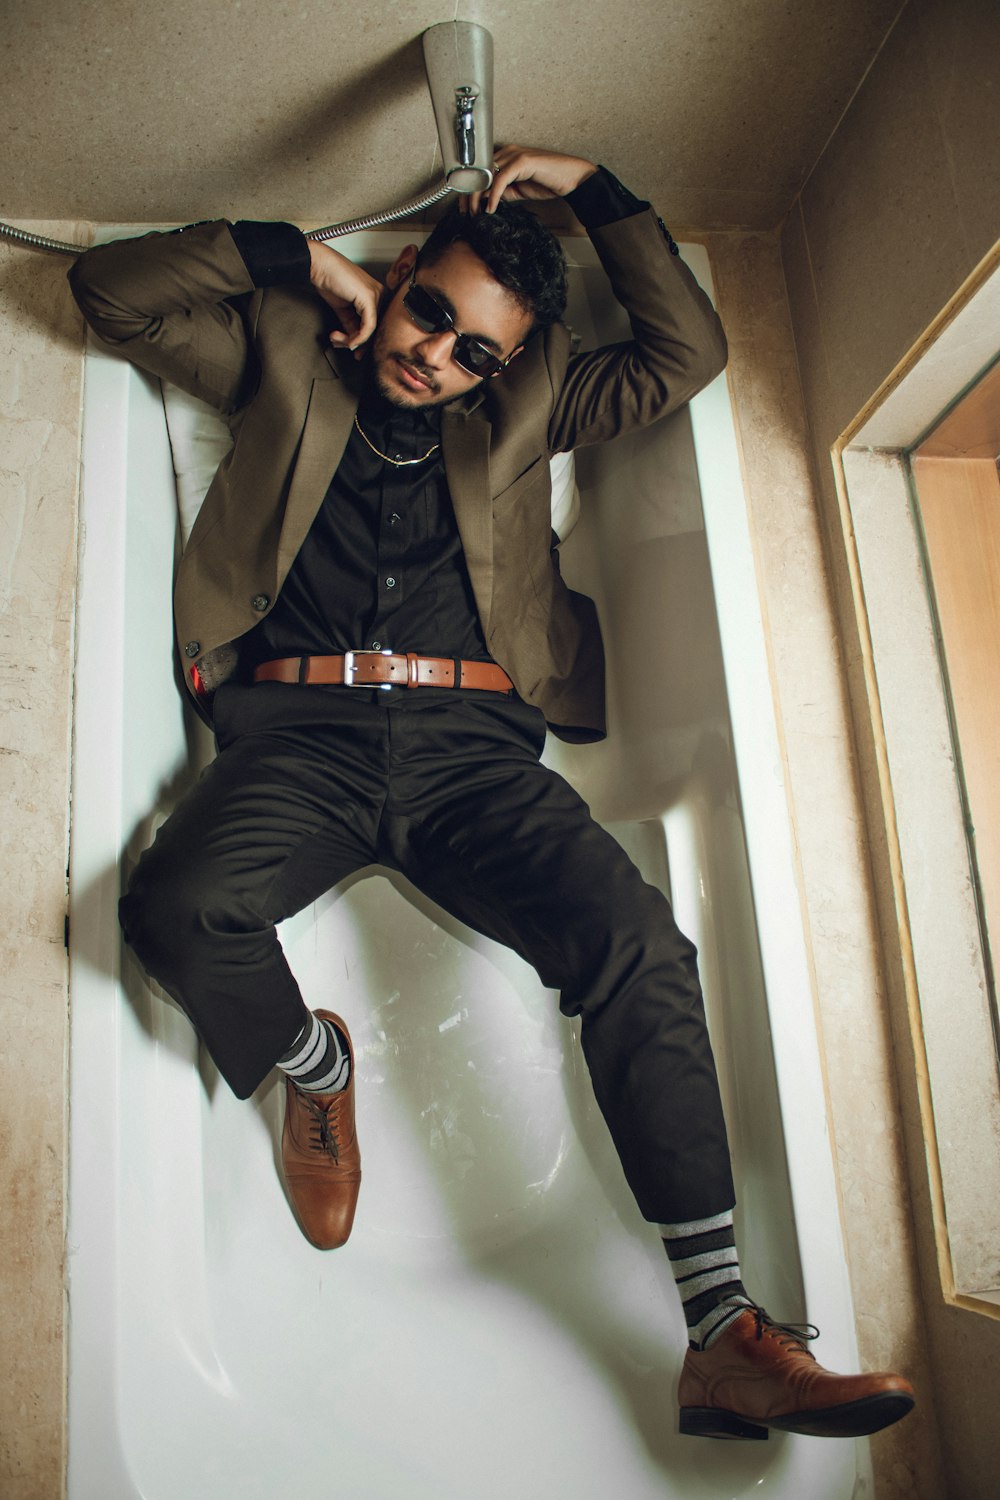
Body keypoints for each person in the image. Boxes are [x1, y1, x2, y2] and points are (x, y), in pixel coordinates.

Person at [69, 144, 914, 1441]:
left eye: (475, 351)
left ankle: (726, 1337)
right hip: (303, 737)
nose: (439, 356)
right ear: (398, 278)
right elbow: (109, 289)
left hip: (471, 749)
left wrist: (598, 192)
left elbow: (687, 350)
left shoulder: (531, 406)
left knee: (637, 943)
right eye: (431, 315)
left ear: (505, 367)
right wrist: (296, 257)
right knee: (173, 904)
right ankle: (314, 1066)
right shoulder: (285, 352)